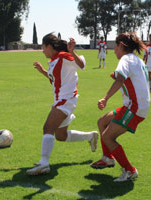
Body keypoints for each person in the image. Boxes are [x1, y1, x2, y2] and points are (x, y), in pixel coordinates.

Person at [26, 33, 98, 176]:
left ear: (49, 46)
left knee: (48, 127)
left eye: (43, 47)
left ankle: (44, 164)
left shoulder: (64, 56)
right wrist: (43, 72)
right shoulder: (53, 61)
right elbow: (56, 80)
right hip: (61, 100)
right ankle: (90, 136)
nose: (42, 50)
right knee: (61, 136)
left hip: (66, 100)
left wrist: (72, 51)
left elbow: (82, 65)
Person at [90, 32, 150, 182]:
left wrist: (105, 98)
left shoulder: (125, 59)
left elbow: (121, 79)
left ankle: (130, 170)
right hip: (135, 105)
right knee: (102, 122)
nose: (114, 51)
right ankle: (108, 158)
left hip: (134, 107)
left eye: (115, 47)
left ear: (121, 46)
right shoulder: (136, 60)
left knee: (108, 137)